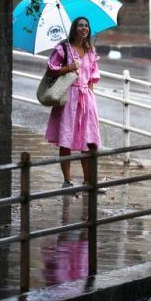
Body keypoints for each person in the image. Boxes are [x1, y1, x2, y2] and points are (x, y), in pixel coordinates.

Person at [44, 17, 105, 191]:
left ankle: (88, 181)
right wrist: (69, 67)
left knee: (90, 139)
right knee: (66, 138)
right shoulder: (64, 49)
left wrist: (91, 98)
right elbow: (51, 69)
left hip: (86, 98)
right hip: (68, 98)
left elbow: (92, 77)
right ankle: (67, 181)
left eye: (86, 25)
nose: (84, 28)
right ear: (74, 28)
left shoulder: (90, 50)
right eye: (80, 25)